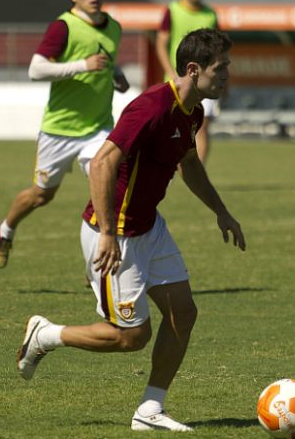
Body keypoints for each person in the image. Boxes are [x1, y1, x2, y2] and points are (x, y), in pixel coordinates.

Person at [16, 28, 246, 432]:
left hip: (149, 227)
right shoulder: (151, 107)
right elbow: (103, 162)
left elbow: (189, 164)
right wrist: (107, 232)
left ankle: (150, 410)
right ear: (194, 70)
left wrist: (221, 211)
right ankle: (46, 335)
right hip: (115, 233)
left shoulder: (193, 111)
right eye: (221, 68)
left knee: (183, 313)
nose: (227, 75)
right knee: (131, 336)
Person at [0, 0, 130, 268]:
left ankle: (98, 260)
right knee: (41, 196)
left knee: (107, 183)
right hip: (60, 130)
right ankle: (6, 230)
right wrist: (82, 65)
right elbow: (35, 69)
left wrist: (117, 76)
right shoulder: (62, 27)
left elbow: (106, 62)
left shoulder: (114, 27)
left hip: (98, 127)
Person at [155, 0, 219, 164]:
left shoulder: (210, 14)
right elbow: (161, 44)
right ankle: (167, 167)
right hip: (178, 80)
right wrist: (171, 73)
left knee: (202, 126)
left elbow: (218, 49)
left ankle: (199, 173)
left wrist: (222, 79)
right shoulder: (172, 10)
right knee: (172, 126)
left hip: (205, 80)